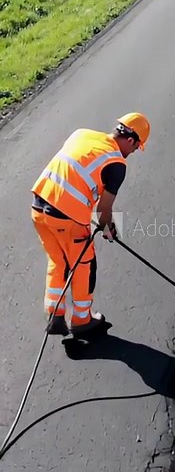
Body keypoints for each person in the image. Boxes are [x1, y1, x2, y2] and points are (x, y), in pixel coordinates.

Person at [31, 112, 150, 337]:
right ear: (131, 140)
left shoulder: (82, 134)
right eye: (135, 148)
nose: (132, 153)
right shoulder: (117, 163)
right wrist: (109, 229)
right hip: (67, 218)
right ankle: (81, 320)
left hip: (38, 207)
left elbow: (77, 173)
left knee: (59, 261)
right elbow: (103, 209)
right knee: (84, 264)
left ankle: (55, 314)